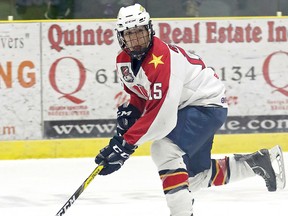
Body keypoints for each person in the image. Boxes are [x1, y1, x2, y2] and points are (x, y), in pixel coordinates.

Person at [95, 3, 286, 216]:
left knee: (164, 150)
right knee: (195, 177)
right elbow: (140, 94)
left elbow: (162, 118)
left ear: (149, 30)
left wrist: (125, 145)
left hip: (205, 105)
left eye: (140, 31)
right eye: (130, 34)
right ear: (121, 37)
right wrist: (131, 113)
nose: (137, 39)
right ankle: (258, 163)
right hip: (186, 107)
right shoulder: (123, 61)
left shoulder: (161, 58)